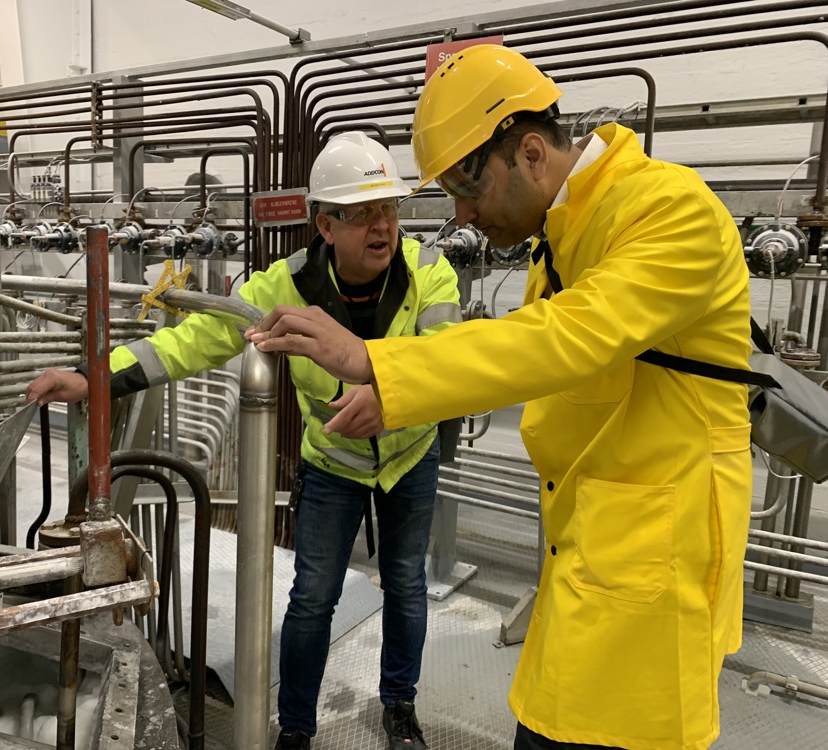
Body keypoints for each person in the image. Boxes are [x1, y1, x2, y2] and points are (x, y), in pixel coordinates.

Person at [245, 45, 753, 750]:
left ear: (532, 155)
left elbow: (562, 339)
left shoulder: (671, 211)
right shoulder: (567, 235)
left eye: (467, 189)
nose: (459, 213)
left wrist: (378, 367)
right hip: (590, 560)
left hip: (653, 580)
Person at [26, 131, 462, 750]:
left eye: (388, 208)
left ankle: (400, 708)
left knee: (407, 587)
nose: (382, 225)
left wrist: (395, 397)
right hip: (333, 465)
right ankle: (297, 728)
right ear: (324, 225)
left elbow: (447, 358)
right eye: (361, 212)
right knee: (312, 599)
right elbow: (195, 338)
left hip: (409, 459)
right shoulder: (281, 288)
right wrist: (96, 378)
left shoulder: (430, 273)